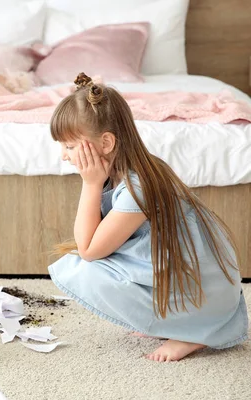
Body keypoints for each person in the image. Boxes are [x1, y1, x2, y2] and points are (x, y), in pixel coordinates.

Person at [47, 72, 248, 362]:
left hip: (205, 297)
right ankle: (172, 321)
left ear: (106, 143)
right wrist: (95, 182)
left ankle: (192, 332)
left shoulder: (138, 186)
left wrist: (89, 184)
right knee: (84, 262)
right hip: (187, 280)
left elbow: (89, 250)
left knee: (83, 269)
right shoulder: (124, 171)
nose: (64, 157)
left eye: (69, 146)